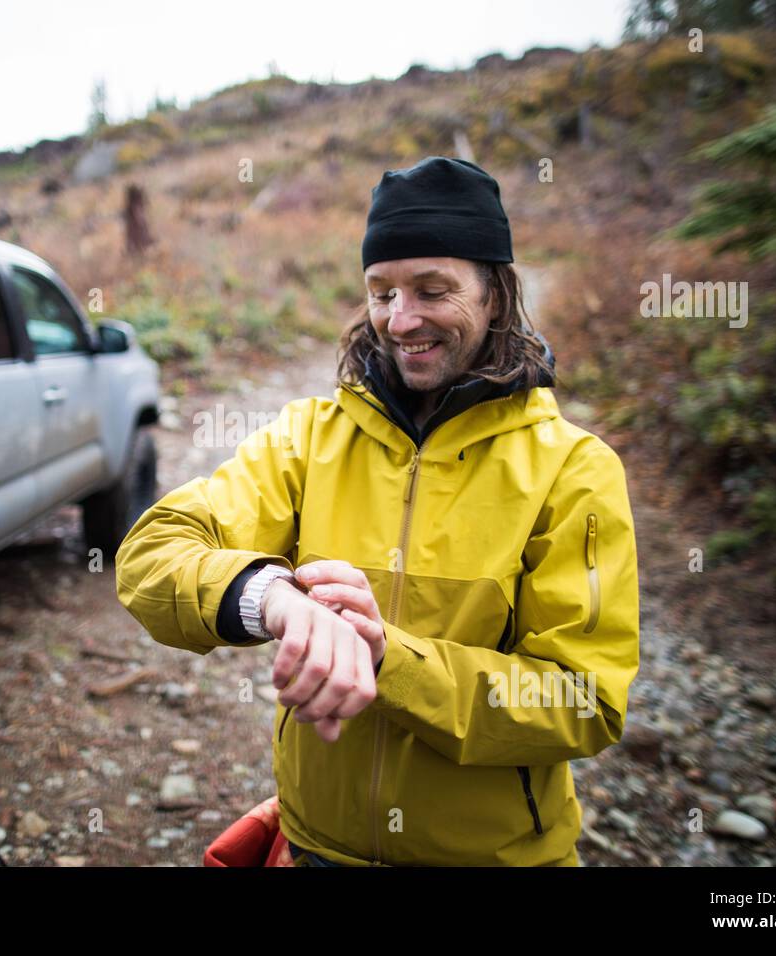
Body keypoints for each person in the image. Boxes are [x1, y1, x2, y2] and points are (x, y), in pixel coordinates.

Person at [116, 156, 640, 866]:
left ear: (495, 295)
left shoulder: (573, 470)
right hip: (316, 847)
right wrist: (271, 599)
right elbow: (153, 552)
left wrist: (390, 659)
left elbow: (585, 700)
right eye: (381, 291)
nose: (401, 319)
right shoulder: (309, 437)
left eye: (433, 290)